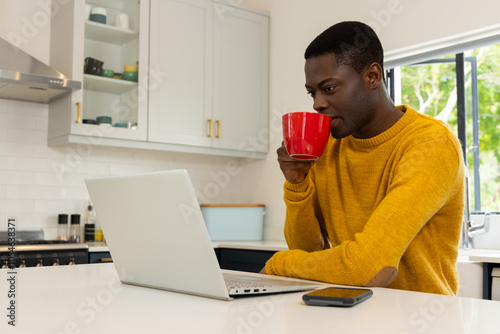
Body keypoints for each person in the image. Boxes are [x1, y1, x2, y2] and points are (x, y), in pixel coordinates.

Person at [261, 21, 465, 295]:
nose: (317, 103)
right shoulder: (330, 146)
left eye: (329, 88)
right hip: (353, 311)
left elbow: (367, 266)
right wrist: (297, 186)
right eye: (312, 92)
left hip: (423, 319)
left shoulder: (430, 144)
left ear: (372, 76)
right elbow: (307, 253)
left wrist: (279, 264)